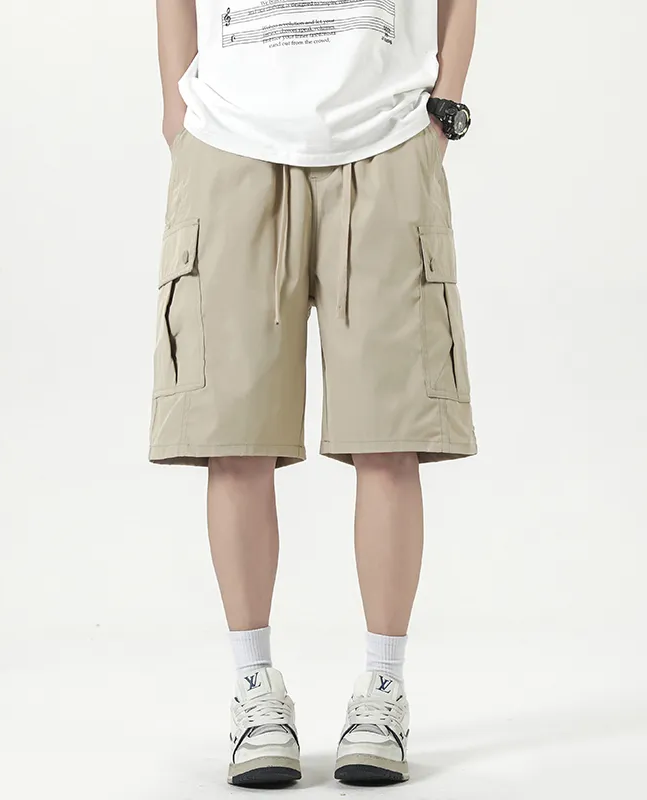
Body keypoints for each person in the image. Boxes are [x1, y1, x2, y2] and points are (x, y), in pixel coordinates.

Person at [152, 0, 478, 787]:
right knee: (234, 437)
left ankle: (384, 690)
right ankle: (255, 691)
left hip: (388, 136)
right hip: (229, 139)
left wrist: (444, 108)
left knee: (391, 435)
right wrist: (176, 110)